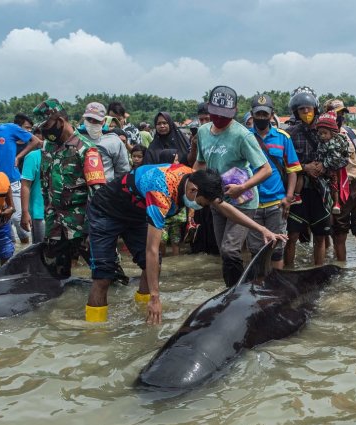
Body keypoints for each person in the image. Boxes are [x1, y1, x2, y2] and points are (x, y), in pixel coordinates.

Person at [86, 165, 287, 323]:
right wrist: (156, 297)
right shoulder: (160, 194)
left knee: (151, 267)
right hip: (107, 211)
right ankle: (95, 332)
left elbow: (225, 208)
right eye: (202, 204)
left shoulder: (197, 180)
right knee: (104, 275)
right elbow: (152, 249)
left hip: (136, 213)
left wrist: (262, 230)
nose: (201, 208)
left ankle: (142, 314)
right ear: (192, 190)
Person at [192, 85, 272, 286]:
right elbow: (200, 163)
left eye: (225, 115)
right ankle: (236, 287)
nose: (220, 119)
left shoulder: (242, 135)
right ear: (209, 109)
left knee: (230, 249)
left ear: (234, 112)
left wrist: (243, 187)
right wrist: (193, 184)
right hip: (217, 199)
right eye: (216, 114)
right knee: (224, 252)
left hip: (242, 199)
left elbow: (265, 169)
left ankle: (239, 292)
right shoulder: (202, 132)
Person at [32, 98, 109, 277]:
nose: (43, 131)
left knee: (107, 273)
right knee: (54, 277)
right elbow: (45, 186)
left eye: (46, 125)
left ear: (59, 122)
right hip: (55, 226)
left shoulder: (86, 150)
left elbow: (97, 194)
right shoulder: (48, 150)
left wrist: (95, 230)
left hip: (82, 225)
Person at [0, 100, 41, 244]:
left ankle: (25, 246)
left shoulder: (10, 128)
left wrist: (18, 156)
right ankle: (12, 248)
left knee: (19, 218)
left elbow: (35, 141)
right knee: (3, 220)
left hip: (14, 181)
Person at [249, 93, 300, 269]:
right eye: (258, 114)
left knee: (277, 249)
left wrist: (289, 197)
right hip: (252, 203)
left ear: (272, 114)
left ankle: (276, 288)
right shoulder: (244, 137)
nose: (262, 118)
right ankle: (259, 288)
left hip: (276, 203)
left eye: (265, 114)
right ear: (252, 114)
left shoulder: (283, 138)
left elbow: (292, 170)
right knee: (256, 251)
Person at [284, 86, 331, 267]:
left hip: (320, 191)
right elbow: (284, 164)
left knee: (320, 237)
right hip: (299, 192)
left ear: (315, 109)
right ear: (296, 112)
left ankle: (318, 271)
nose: (305, 112)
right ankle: (288, 271)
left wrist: (323, 167)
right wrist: (305, 167)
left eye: (308, 108)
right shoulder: (290, 134)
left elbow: (339, 158)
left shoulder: (326, 132)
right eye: (301, 109)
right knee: (292, 236)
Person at [325, 99, 356, 263]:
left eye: (341, 113)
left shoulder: (352, 133)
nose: (339, 116)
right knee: (340, 232)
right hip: (337, 189)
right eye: (336, 113)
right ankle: (342, 270)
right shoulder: (322, 136)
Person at [79, 102, 130, 181]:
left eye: (96, 120)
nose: (92, 122)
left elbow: (122, 172)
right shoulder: (76, 139)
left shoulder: (113, 141)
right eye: (89, 119)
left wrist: (112, 190)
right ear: (84, 119)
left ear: (103, 121)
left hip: (106, 190)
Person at [314, 112, 349, 215]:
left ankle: (336, 203)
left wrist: (324, 164)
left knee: (334, 184)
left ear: (332, 132)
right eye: (320, 133)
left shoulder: (335, 142)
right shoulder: (322, 142)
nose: (322, 136)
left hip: (334, 167)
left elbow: (336, 157)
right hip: (325, 168)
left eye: (325, 133)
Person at [19, 127, 46, 244]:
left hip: (62, 213)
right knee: (42, 250)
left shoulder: (65, 154)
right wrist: (25, 213)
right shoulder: (32, 157)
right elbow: (25, 185)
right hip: (39, 212)